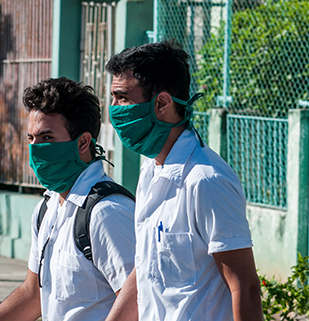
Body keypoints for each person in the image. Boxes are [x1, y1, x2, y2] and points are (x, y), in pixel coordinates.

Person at [104, 41, 262, 321]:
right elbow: (144, 270)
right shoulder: (150, 171)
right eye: (113, 98)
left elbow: (244, 287)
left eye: (123, 98)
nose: (114, 109)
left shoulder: (206, 180)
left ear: (162, 103)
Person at [0, 77, 136, 321]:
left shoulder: (108, 213)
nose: (35, 149)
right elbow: (33, 295)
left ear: (83, 142)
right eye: (31, 138)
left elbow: (139, 304)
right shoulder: (47, 207)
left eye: (47, 138)